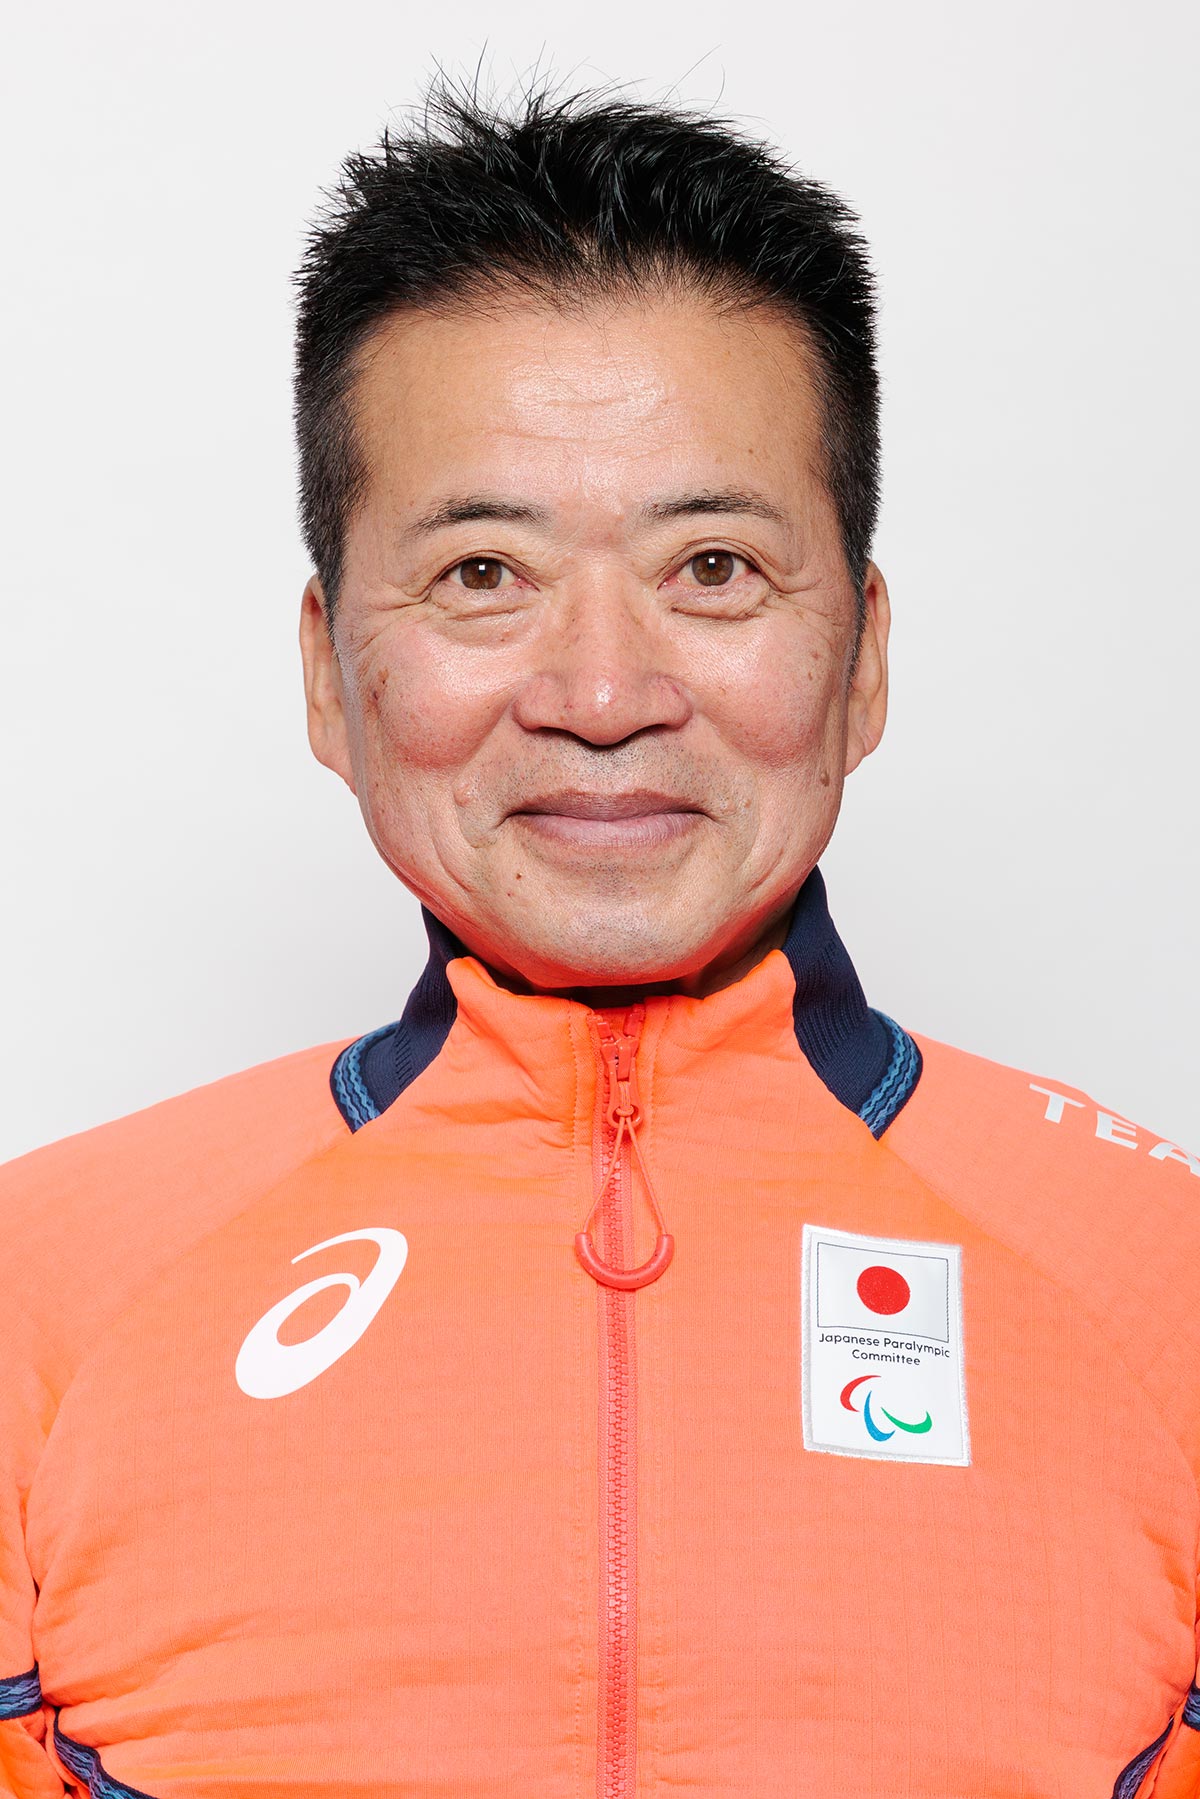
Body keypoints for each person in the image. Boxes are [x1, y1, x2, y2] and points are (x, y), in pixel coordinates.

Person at [2, 78, 1198, 1799]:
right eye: (483, 574)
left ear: (863, 659)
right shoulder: (42, 1301)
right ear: (329, 673)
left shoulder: (1162, 1285)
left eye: (712, 567)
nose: (604, 693)